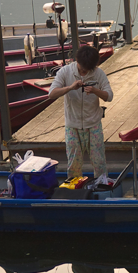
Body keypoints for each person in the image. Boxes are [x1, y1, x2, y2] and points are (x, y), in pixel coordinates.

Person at [48, 45, 113, 182]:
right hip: (72, 126)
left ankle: (102, 187)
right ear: (76, 60)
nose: (84, 72)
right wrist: (70, 87)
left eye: (87, 70)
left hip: (93, 124)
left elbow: (109, 96)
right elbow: (51, 94)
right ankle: (75, 189)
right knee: (74, 163)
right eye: (81, 69)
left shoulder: (99, 73)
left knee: (99, 161)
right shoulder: (65, 72)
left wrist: (95, 91)